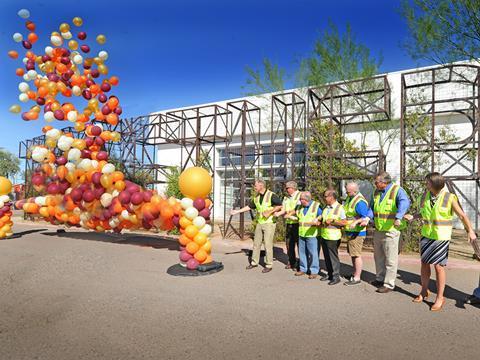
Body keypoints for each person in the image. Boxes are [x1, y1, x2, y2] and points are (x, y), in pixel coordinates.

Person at [405, 172, 477, 311]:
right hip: (427, 234)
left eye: (428, 183)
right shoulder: (424, 196)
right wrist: (413, 216)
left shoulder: (449, 198)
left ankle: (440, 297)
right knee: (424, 263)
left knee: (439, 266)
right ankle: (424, 291)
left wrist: (470, 230)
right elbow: (425, 213)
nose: (426, 185)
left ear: (435, 184)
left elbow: (461, 215)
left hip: (441, 236)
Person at [230, 179, 283, 273]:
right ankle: (254, 262)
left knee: (267, 244)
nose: (254, 187)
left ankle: (269, 264)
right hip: (260, 222)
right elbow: (249, 207)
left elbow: (280, 205)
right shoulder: (257, 197)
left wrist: (269, 212)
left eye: (255, 186)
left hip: (269, 223)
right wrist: (237, 211)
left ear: (261, 185)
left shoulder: (271, 195)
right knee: (256, 243)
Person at [371, 171, 411, 293]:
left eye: (376, 182)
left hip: (391, 230)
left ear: (384, 182)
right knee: (378, 257)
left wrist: (399, 217)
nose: (375, 184)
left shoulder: (397, 190)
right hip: (379, 229)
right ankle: (380, 278)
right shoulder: (376, 192)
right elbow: (372, 207)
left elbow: (405, 203)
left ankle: (388, 284)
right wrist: (368, 217)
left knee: (391, 259)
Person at [343, 182, 373, 286]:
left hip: (357, 232)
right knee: (352, 253)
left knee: (356, 255)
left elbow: (364, 217)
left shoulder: (360, 202)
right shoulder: (350, 197)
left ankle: (357, 277)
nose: (346, 192)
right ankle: (354, 272)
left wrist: (355, 222)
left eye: (348, 191)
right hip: (350, 231)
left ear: (355, 191)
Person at [319, 189, 348, 285]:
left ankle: (336, 276)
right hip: (324, 235)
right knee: (327, 257)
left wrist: (332, 221)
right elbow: (323, 219)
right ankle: (330, 274)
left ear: (331, 197)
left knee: (333, 258)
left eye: (326, 196)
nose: (324, 198)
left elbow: (344, 222)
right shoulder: (326, 207)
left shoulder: (340, 208)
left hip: (334, 237)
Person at [294, 191, 322, 279]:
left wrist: (318, 220)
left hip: (312, 234)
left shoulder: (316, 206)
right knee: (302, 252)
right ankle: (303, 268)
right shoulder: (299, 207)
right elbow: (297, 215)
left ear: (306, 199)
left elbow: (322, 216)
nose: (299, 200)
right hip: (302, 233)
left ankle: (314, 270)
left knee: (313, 253)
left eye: (301, 199)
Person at [274, 181, 302, 270]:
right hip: (289, 223)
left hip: (298, 224)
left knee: (300, 245)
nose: (286, 190)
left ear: (293, 188)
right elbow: (283, 209)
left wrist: (289, 214)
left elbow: (298, 208)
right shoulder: (286, 198)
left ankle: (301, 264)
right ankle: (291, 262)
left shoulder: (300, 195)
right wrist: (277, 214)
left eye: (287, 188)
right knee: (289, 244)